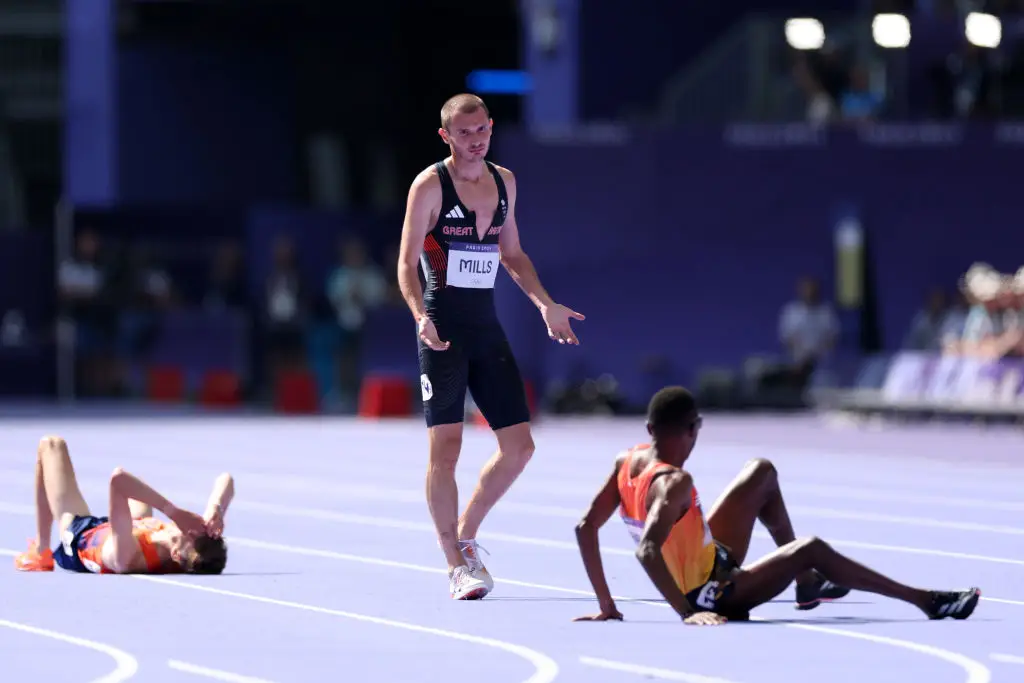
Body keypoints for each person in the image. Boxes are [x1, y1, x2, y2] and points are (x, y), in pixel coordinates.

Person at [573, 386, 982, 624]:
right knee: (811, 547)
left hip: (710, 557)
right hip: (710, 593)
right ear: (693, 431)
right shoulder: (675, 482)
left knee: (761, 472)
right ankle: (926, 601)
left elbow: (584, 527)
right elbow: (647, 549)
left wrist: (607, 607)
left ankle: (806, 584)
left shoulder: (626, 462)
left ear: (650, 429)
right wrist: (687, 612)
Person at [397, 93, 584, 600]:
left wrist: (545, 304)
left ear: (491, 128)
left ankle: (467, 532)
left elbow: (513, 254)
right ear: (446, 136)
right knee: (447, 449)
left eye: (482, 131)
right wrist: (420, 318)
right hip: (441, 329)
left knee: (520, 448)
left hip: (486, 327)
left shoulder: (505, 182)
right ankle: (454, 562)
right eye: (464, 133)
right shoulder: (430, 186)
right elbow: (406, 263)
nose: (475, 141)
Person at [14, 436, 232, 575]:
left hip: (81, 534)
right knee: (141, 492)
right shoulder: (194, 545)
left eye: (189, 535)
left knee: (52, 444)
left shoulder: (127, 557)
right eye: (203, 530)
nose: (191, 527)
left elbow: (118, 480)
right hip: (131, 527)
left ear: (175, 554)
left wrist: (173, 512)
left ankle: (41, 551)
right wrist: (216, 508)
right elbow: (226, 479)